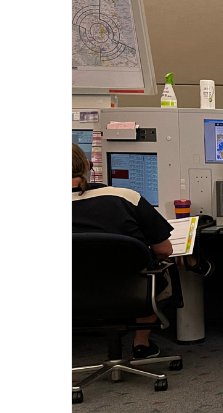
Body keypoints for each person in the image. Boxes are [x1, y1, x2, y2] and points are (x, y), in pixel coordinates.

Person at [71, 143, 175, 358]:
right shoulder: (126, 197)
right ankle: (141, 343)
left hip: (74, 295)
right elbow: (164, 250)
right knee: (155, 272)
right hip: (132, 292)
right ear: (88, 166)